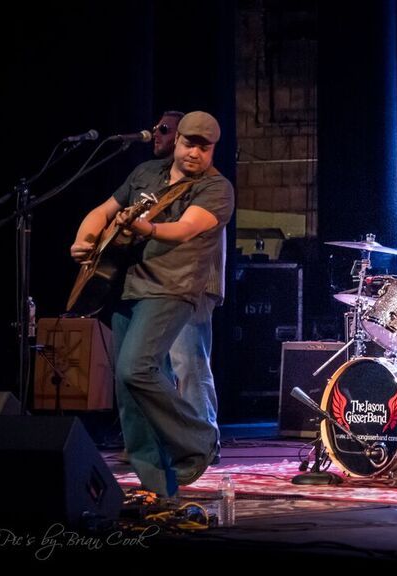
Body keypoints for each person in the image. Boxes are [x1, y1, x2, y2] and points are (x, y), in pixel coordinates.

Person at [71, 111, 234, 496]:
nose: (195, 152)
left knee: (136, 369)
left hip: (172, 288)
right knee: (127, 390)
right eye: (189, 143)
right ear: (177, 141)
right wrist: (85, 239)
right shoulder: (145, 173)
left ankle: (198, 439)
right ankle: (159, 487)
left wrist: (147, 227)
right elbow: (103, 210)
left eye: (204, 147)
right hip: (127, 286)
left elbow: (184, 229)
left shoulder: (216, 188)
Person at [153, 109, 224, 463]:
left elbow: (185, 232)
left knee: (190, 362)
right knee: (165, 366)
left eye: (165, 129)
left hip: (194, 283)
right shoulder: (163, 179)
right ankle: (177, 440)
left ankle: (205, 442)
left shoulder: (207, 184)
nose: (156, 134)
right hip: (168, 284)